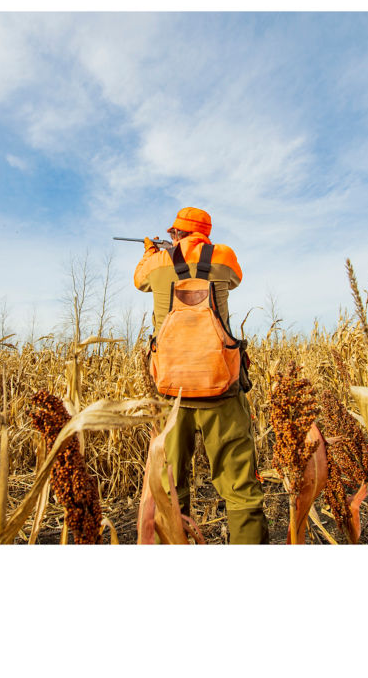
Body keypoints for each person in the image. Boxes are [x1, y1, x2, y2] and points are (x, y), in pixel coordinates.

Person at [134, 206, 269, 544]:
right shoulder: (222, 255)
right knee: (240, 491)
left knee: (168, 491)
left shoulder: (158, 262)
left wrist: (153, 251)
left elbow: (139, 281)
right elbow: (235, 279)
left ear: (176, 233)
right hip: (221, 387)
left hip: (170, 392)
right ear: (205, 232)